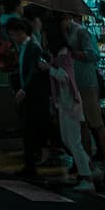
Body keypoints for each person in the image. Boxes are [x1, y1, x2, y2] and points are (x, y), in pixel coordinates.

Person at [38, 18, 93, 191]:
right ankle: (88, 167)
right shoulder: (58, 54)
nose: (43, 39)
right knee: (68, 140)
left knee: (73, 141)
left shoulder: (63, 55)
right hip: (64, 103)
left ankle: (87, 178)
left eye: (44, 35)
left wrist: (49, 69)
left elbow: (65, 77)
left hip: (70, 103)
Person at [62, 12, 105, 184]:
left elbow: (94, 54)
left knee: (96, 124)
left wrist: (74, 53)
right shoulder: (63, 35)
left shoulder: (81, 32)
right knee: (82, 126)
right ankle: (88, 166)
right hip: (74, 86)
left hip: (87, 84)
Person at [5, 18, 50, 177]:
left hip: (35, 95)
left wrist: (24, 90)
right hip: (30, 95)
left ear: (20, 32)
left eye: (13, 35)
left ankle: (32, 162)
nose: (12, 38)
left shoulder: (33, 47)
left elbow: (34, 71)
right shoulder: (24, 47)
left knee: (32, 128)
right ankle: (31, 162)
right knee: (30, 129)